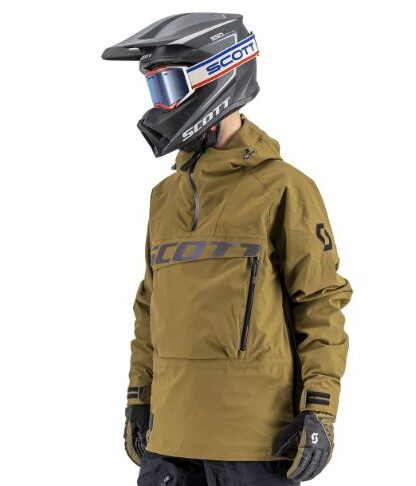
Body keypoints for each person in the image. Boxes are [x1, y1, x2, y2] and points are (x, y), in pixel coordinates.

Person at [102, 12, 353, 486]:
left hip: (253, 447)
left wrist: (320, 408)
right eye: (154, 90)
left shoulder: (284, 188)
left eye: (168, 87)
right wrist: (139, 397)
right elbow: (150, 309)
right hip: (169, 445)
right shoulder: (165, 197)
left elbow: (321, 303)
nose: (161, 106)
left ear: (216, 78)